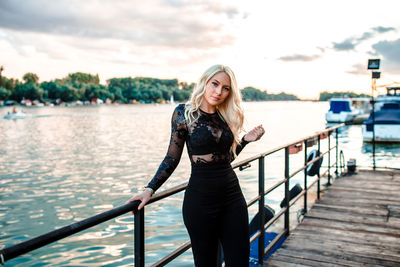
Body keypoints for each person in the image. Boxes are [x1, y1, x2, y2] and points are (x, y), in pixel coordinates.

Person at [128, 64, 265, 266]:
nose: (219, 92)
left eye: (225, 88)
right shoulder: (183, 113)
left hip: (232, 198)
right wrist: (150, 189)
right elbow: (171, 158)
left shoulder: (224, 116)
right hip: (201, 202)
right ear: (204, 82)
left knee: (239, 261)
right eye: (215, 84)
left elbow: (224, 159)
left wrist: (245, 140)